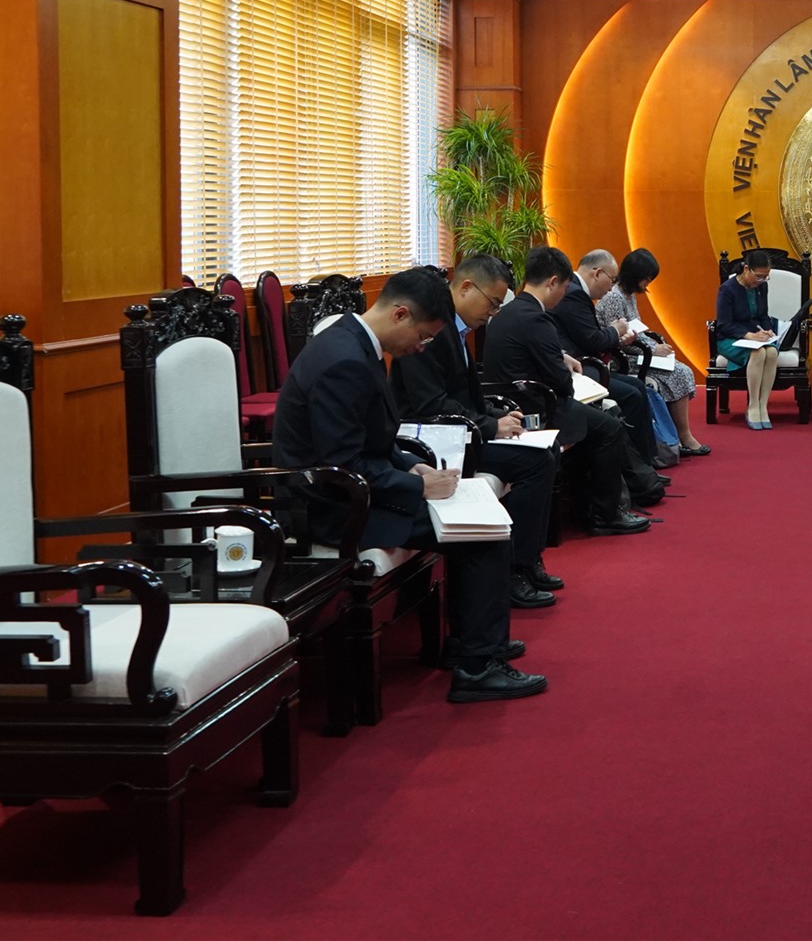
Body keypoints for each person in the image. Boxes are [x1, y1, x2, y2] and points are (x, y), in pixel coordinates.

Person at [272, 266, 546, 704]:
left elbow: (374, 442)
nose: (422, 347)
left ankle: (469, 643)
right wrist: (416, 488)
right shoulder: (344, 361)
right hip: (331, 508)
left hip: (355, 492)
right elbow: (342, 466)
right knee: (483, 534)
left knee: (480, 521)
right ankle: (478, 667)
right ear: (400, 314)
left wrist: (413, 467)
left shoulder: (356, 342)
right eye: (423, 336)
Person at [389, 253, 563, 609]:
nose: (494, 313)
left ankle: (527, 560)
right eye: (492, 303)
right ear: (467, 287)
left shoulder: (459, 329)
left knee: (545, 451)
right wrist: (491, 425)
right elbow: (431, 404)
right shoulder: (429, 330)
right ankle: (516, 569)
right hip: (432, 439)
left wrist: (499, 416)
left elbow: (465, 396)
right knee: (535, 463)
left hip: (460, 432)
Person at [485, 245, 657, 533]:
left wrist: (560, 358)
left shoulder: (509, 311)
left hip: (513, 402)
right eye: (564, 287)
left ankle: (591, 504)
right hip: (537, 409)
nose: (565, 294)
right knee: (609, 428)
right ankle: (605, 515)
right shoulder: (538, 318)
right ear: (553, 282)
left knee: (601, 415)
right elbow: (562, 383)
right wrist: (564, 370)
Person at [552, 248, 665, 469]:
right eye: (611, 280)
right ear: (597, 273)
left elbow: (590, 337)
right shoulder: (574, 293)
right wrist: (615, 330)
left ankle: (646, 464)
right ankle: (637, 467)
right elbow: (591, 340)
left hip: (587, 362)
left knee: (637, 387)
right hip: (579, 367)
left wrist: (616, 337)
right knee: (632, 394)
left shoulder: (576, 291)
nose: (612, 287)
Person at [597, 247, 709, 458]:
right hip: (622, 358)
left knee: (681, 370)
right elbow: (619, 339)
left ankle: (677, 435)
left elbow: (637, 330)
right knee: (680, 373)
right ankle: (683, 437)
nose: (648, 283)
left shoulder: (629, 295)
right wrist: (653, 349)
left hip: (638, 351)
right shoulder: (614, 297)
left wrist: (655, 346)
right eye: (646, 278)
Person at [712, 249, 783, 430]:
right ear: (746, 269)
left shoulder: (762, 287)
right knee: (758, 353)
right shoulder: (727, 290)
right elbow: (724, 325)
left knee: (772, 352)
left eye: (765, 277)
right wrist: (748, 335)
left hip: (755, 337)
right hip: (730, 339)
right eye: (758, 276)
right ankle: (752, 406)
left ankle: (762, 405)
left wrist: (768, 330)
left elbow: (763, 315)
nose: (761, 281)